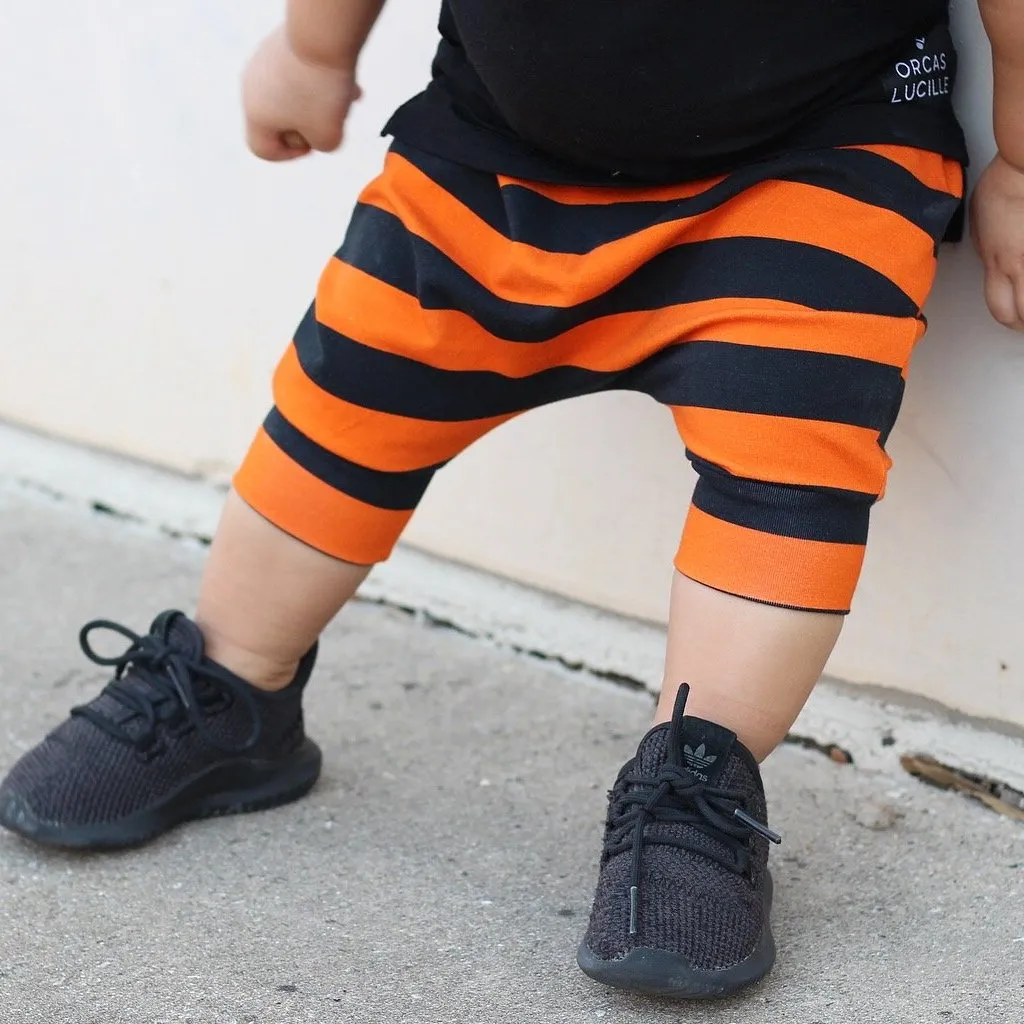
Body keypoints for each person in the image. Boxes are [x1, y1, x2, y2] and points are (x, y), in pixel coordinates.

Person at [2, 0, 1022, 999]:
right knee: (351, 386)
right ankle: (232, 684)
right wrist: (316, 47)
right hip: (491, 156)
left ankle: (698, 780)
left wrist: (1014, 162)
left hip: (815, 156)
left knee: (790, 446)